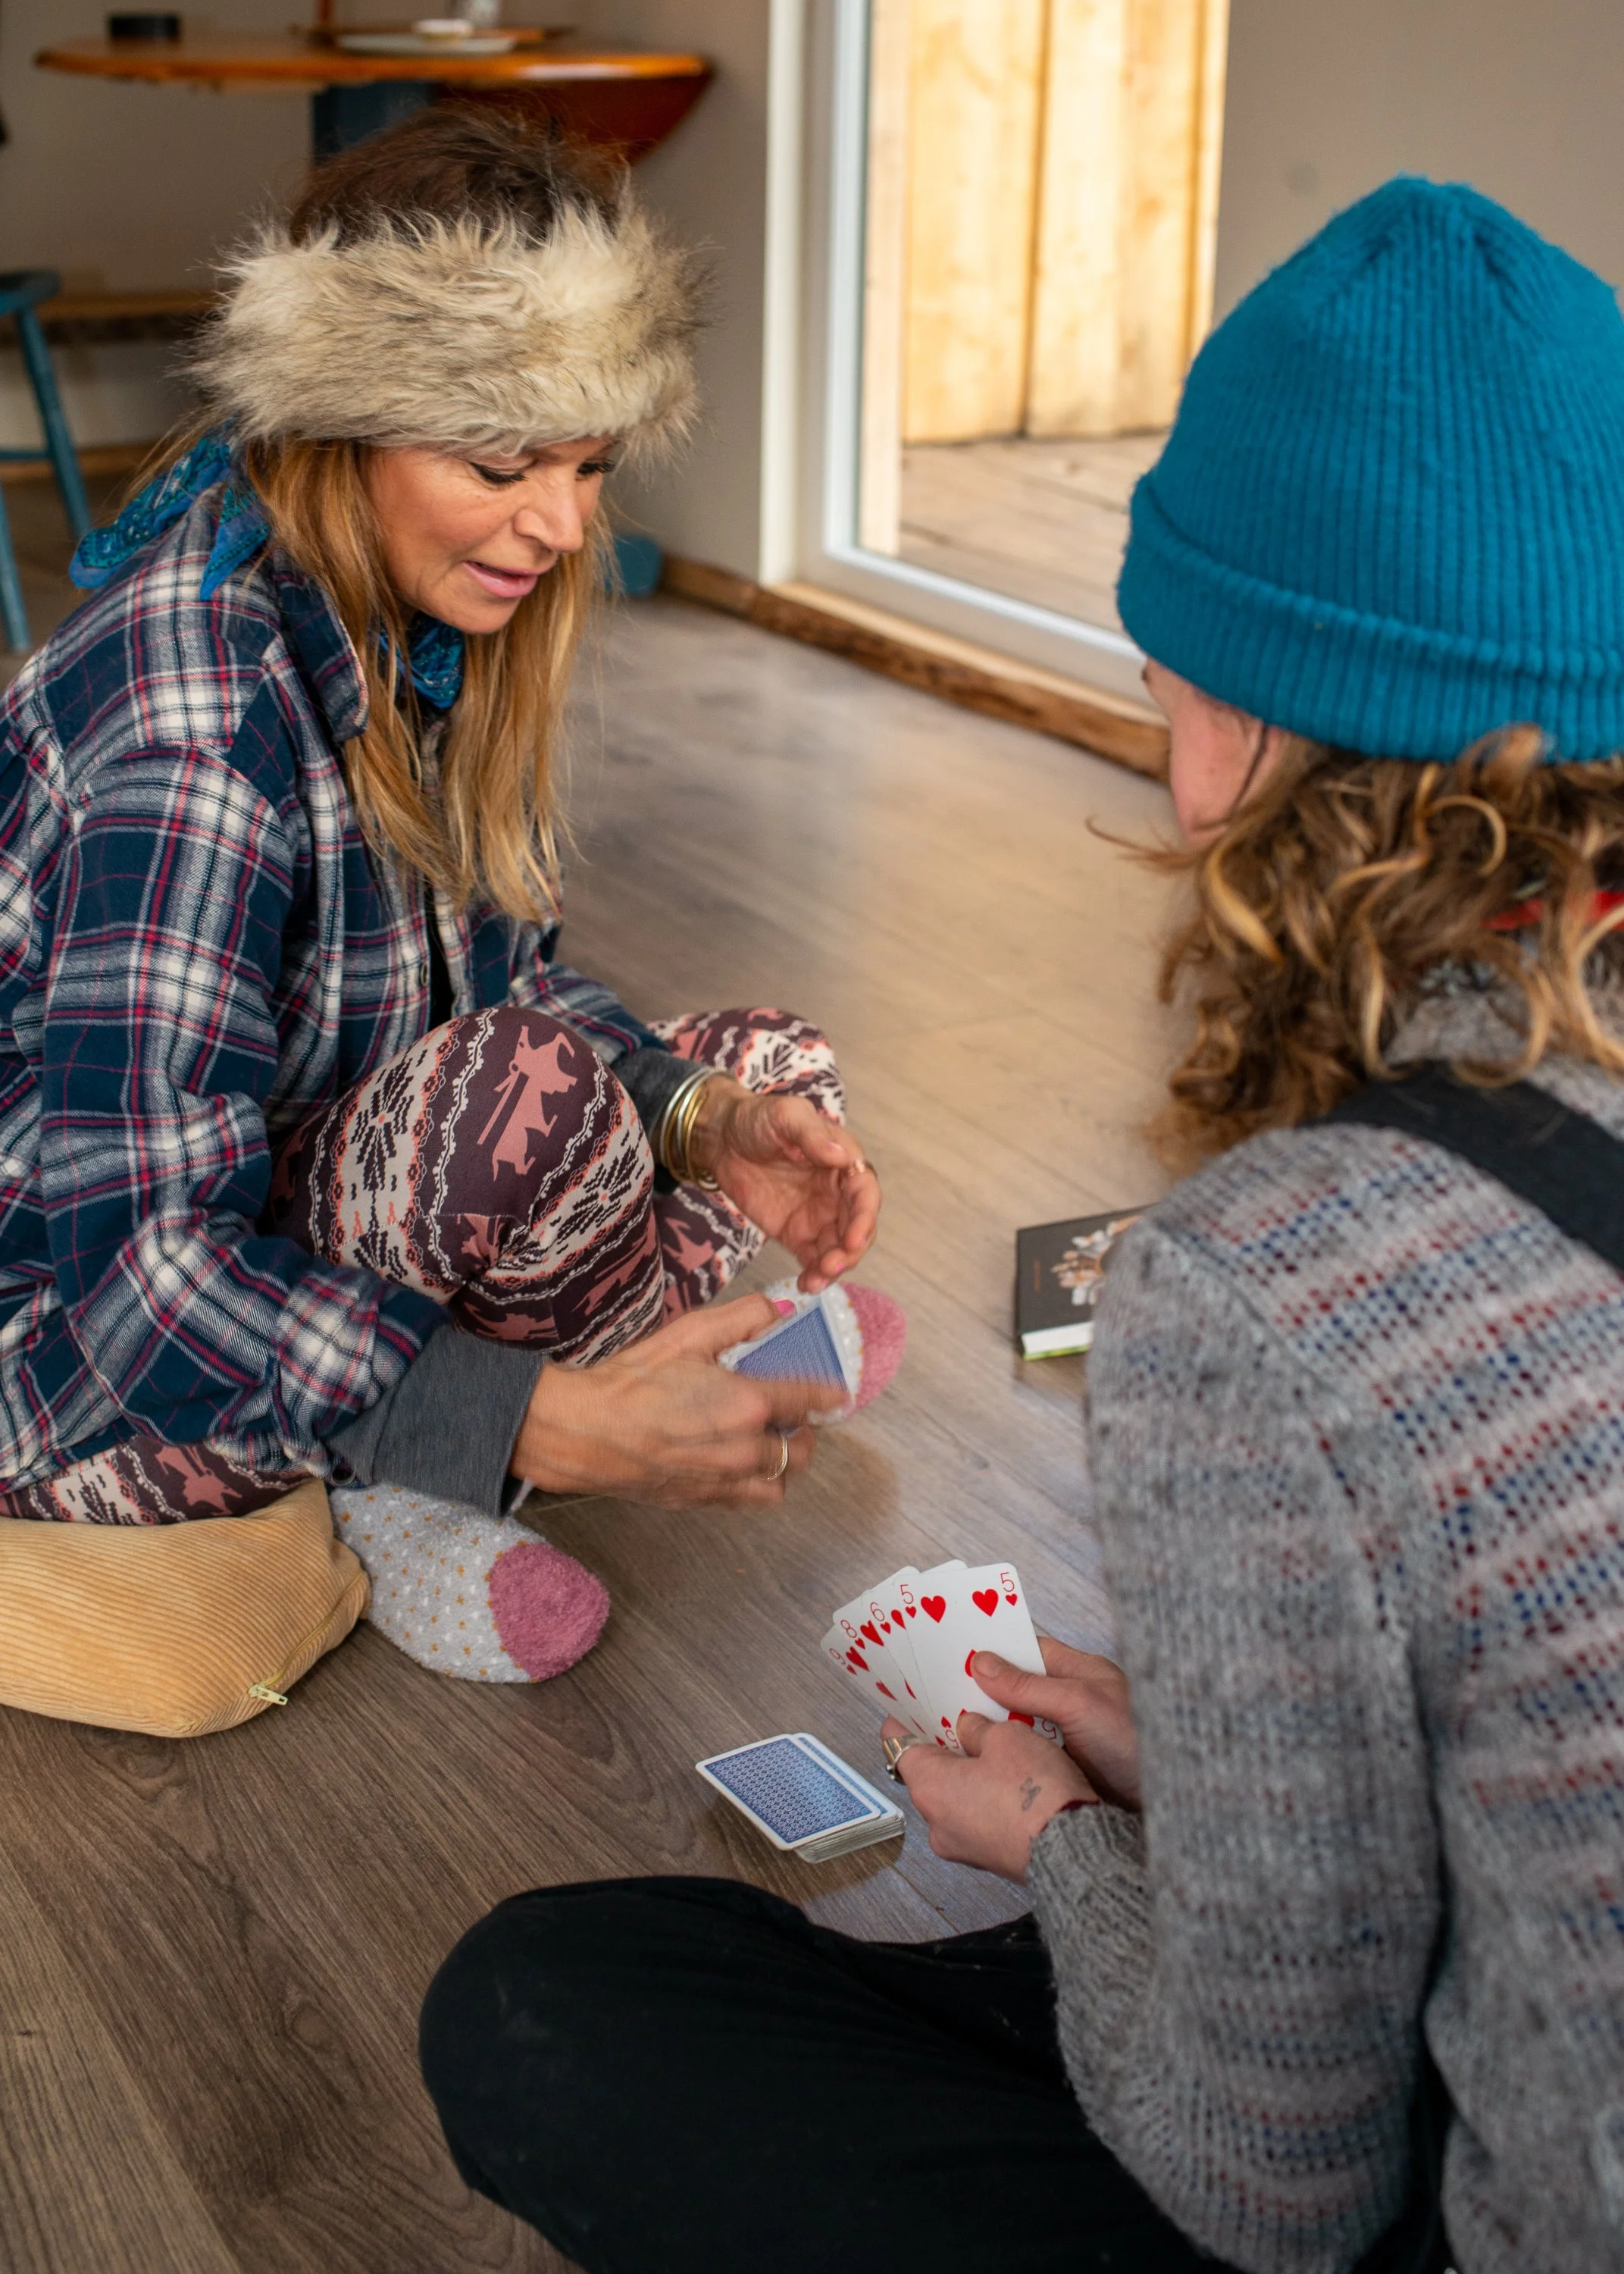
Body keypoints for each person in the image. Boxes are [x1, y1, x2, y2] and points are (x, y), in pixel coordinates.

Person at [418, 179, 1624, 2269]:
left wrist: (1061, 1838)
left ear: (1238, 724)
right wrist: (1208, 1781)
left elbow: (1277, 2188)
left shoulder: (1267, 1292)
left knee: (559, 2003)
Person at [0, 108, 890, 1682]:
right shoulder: (197, 726)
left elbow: (506, 980)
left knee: (765, 1067)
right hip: (79, 1343)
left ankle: (573, 1394)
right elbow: (144, 1268)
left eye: (588, 465)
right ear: (336, 428)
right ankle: (501, 1443)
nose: (557, 525)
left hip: (292, 1172)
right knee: (532, 1093)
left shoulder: (417, 626)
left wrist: (701, 1122)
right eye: (499, 462)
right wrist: (531, 1406)